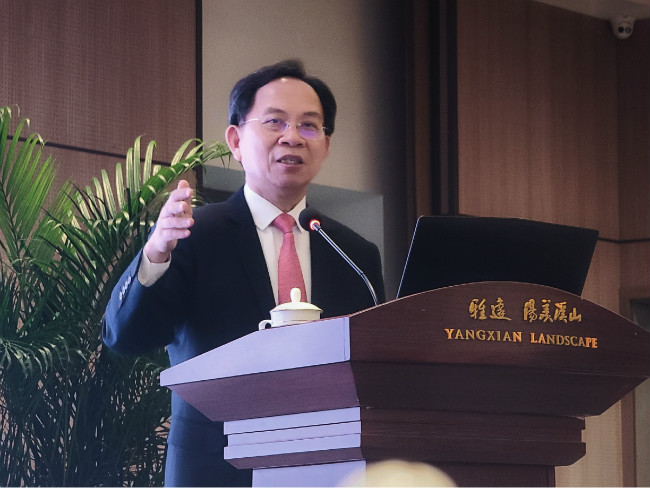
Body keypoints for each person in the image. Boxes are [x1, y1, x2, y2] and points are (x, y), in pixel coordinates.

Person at [102, 59, 385, 487]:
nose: (293, 137)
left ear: (326, 145)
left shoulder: (353, 253)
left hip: (331, 468)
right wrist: (156, 252)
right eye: (275, 122)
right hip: (215, 472)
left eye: (310, 126)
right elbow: (124, 337)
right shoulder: (191, 235)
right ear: (235, 140)